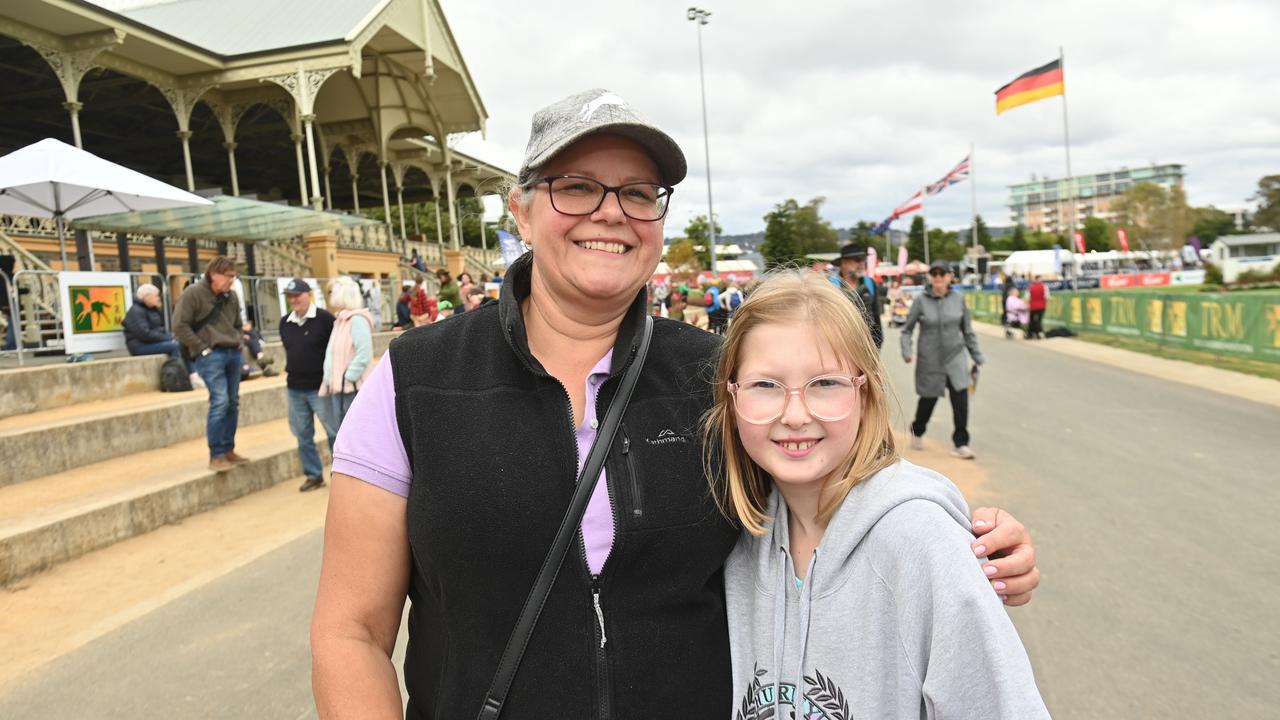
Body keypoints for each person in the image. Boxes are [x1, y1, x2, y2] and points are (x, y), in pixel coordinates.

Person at [310, 88, 1039, 719]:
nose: (612, 212)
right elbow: (351, 633)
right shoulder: (415, 380)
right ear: (523, 212)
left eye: (638, 192)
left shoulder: (713, 377)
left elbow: (838, 495)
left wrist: (962, 537)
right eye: (577, 186)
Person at [708, 270, 1048, 718]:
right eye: (765, 385)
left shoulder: (920, 541)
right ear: (731, 400)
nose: (794, 414)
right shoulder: (732, 536)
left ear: (865, 394)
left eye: (825, 383)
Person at [901, 261, 983, 460]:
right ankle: (918, 430)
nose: (938, 277)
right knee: (927, 400)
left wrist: (976, 355)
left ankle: (961, 443)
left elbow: (967, 331)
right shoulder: (921, 301)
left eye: (942, 273)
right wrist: (907, 350)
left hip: (955, 358)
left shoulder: (958, 299)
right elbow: (907, 330)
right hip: (931, 359)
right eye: (934, 273)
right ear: (930, 277)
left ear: (949, 276)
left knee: (961, 401)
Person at [172, 256, 247, 472]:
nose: (231, 281)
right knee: (220, 401)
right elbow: (179, 325)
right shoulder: (193, 293)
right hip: (210, 354)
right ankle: (216, 453)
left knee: (232, 402)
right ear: (214, 274)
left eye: (233, 277)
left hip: (232, 351)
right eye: (228, 276)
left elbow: (237, 324)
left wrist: (239, 341)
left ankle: (228, 449)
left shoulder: (231, 296)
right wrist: (201, 348)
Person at [279, 278, 339, 493]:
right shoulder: (285, 322)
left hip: (320, 386)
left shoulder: (325, 319)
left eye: (297, 295)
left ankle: (341, 476)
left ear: (308, 294)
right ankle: (313, 475)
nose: (294, 300)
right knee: (302, 435)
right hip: (295, 386)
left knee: (334, 432)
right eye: (290, 296)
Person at [123, 283, 204, 387]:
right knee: (175, 346)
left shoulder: (153, 310)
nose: (158, 298)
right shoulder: (135, 312)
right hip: (140, 346)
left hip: (152, 343)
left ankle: (193, 375)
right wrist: (169, 338)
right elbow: (144, 334)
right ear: (146, 297)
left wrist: (172, 337)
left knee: (184, 344)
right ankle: (181, 376)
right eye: (156, 296)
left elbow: (160, 329)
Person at [320, 276, 374, 431]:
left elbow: (364, 354)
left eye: (331, 292)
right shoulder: (341, 320)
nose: (329, 295)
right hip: (339, 388)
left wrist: (348, 377)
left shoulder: (356, 319)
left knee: (353, 432)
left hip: (350, 389)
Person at [835, 242, 883, 348]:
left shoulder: (870, 283)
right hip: (840, 348)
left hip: (867, 348)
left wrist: (877, 346)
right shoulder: (830, 286)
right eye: (857, 260)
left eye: (863, 259)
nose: (862, 263)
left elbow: (876, 317)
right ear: (843, 263)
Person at [1027, 275, 1049, 339]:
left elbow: (1027, 297)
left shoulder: (1030, 287)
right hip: (1040, 306)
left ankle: (1031, 333)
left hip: (1033, 306)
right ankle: (1038, 333)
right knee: (1038, 320)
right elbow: (1046, 296)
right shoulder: (1044, 286)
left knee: (1033, 320)